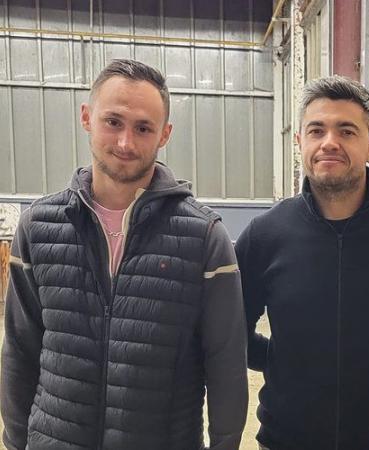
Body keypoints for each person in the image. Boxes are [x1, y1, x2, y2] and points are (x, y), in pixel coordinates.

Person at [1, 59, 248, 450]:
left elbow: (225, 366)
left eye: (144, 128)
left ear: (164, 134)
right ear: (87, 117)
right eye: (113, 122)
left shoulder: (204, 238)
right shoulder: (37, 228)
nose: (125, 143)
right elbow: (19, 353)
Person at [235, 75, 369, 450]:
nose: (330, 143)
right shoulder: (265, 235)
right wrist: (276, 359)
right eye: (316, 130)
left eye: (347, 131)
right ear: (299, 143)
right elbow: (232, 325)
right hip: (286, 439)